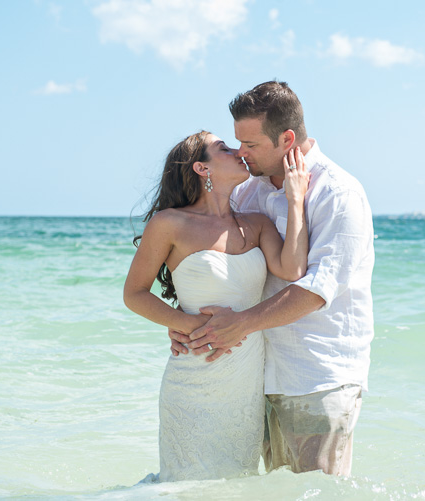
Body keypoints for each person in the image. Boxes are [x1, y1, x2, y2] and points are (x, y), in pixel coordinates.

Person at [171, 81, 375, 476]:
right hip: (256, 375)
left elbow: (317, 290)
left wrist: (239, 324)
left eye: (251, 145)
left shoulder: (339, 193)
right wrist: (189, 322)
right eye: (237, 144)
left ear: (286, 138)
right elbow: (221, 263)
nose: (242, 155)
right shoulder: (250, 192)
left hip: (318, 376)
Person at [123, 130, 309, 482]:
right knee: (187, 482)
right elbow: (134, 293)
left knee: (235, 482)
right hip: (195, 370)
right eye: (223, 148)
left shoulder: (256, 224)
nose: (238, 151)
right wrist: (187, 324)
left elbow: (294, 269)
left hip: (245, 377)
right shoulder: (170, 223)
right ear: (201, 168)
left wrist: (295, 199)